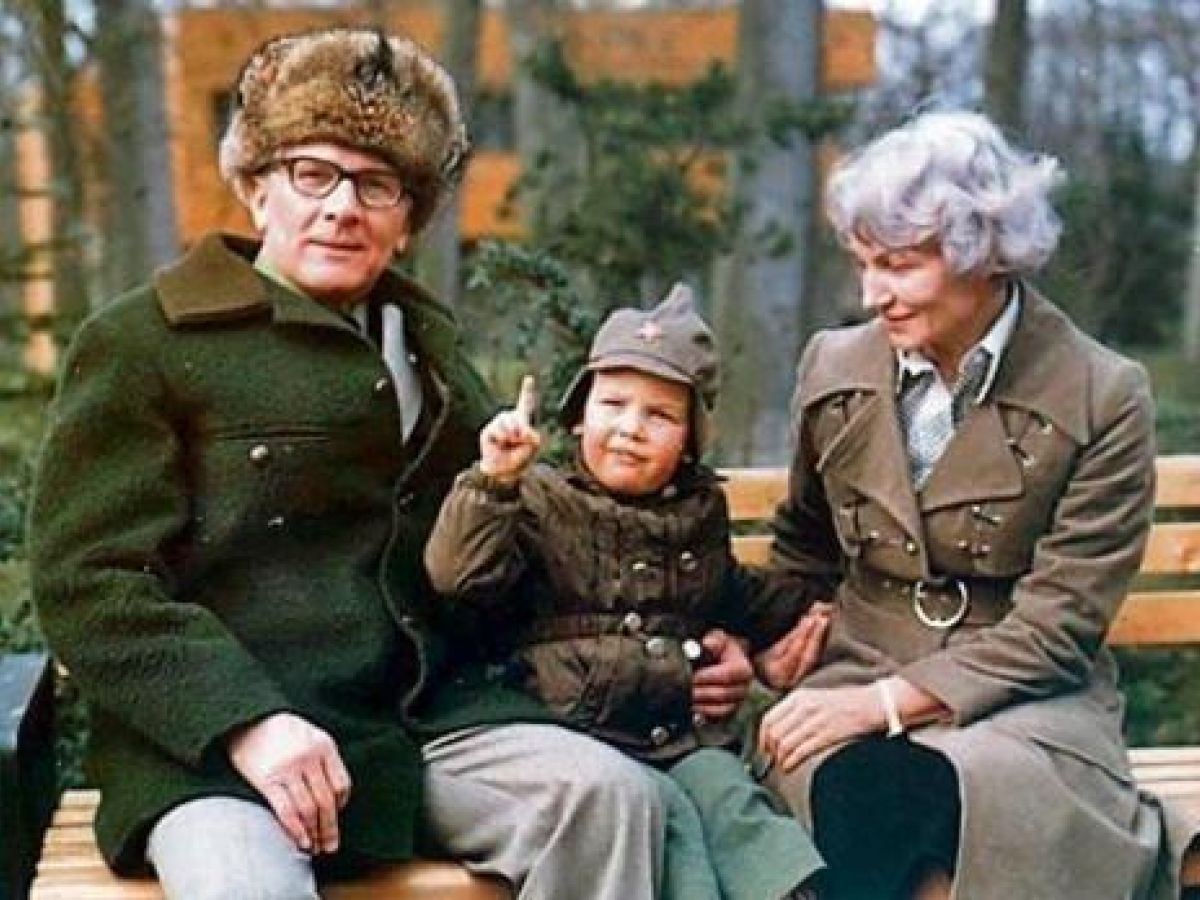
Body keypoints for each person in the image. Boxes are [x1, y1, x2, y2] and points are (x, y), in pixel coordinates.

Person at [26, 27, 752, 900]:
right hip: (219, 749)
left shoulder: (432, 351)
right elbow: (89, 582)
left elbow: (516, 552)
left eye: (377, 184)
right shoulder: (144, 342)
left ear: (408, 221)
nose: (342, 207)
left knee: (608, 798)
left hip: (417, 725)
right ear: (255, 190)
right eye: (311, 173)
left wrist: (692, 652)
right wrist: (246, 721)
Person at [752, 108, 1199, 900]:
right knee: (854, 784)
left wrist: (885, 705)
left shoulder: (1102, 393)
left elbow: (1059, 628)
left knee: (959, 794)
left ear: (982, 254)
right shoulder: (835, 365)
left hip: (1027, 696)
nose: (872, 294)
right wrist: (761, 645)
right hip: (856, 662)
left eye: (897, 264)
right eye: (863, 263)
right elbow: (804, 549)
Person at [424, 284, 828, 900]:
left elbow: (734, 596)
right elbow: (458, 576)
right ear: (579, 414)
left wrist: (817, 610)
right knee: (674, 828)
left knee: (736, 805)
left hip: (678, 736)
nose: (630, 429)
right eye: (612, 404)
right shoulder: (538, 500)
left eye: (660, 415)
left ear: (691, 439)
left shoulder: (699, 515)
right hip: (578, 730)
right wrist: (492, 483)